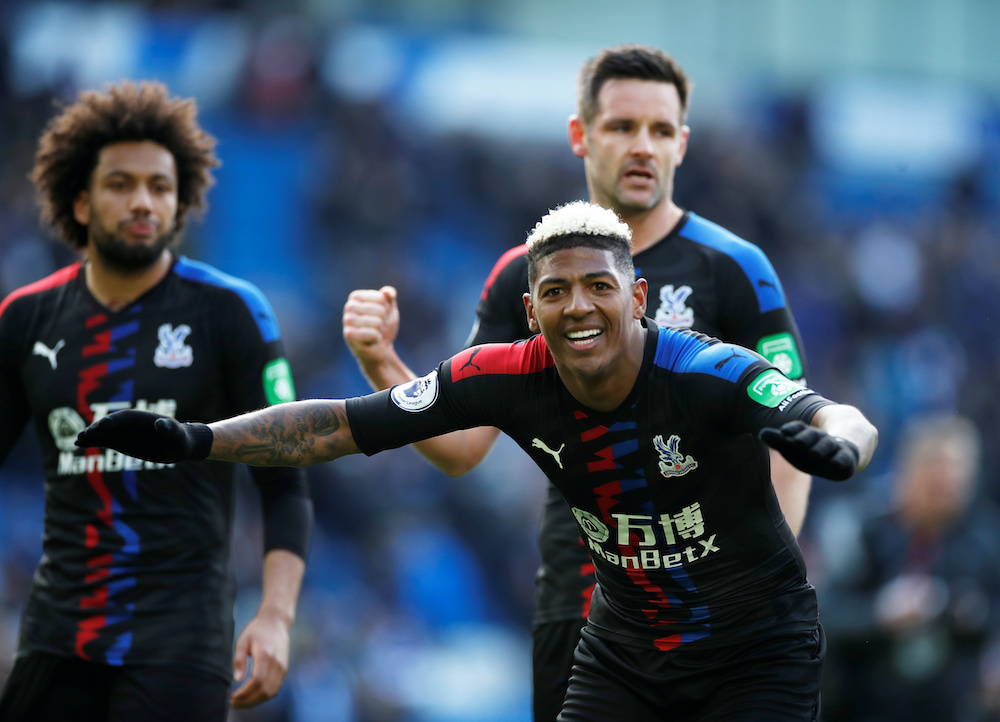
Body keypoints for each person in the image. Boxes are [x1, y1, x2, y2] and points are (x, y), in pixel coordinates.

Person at [80, 201, 878, 721]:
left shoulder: (708, 372)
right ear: (531, 312)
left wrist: (840, 443)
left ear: (637, 299)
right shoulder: (500, 376)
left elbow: (831, 410)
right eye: (557, 292)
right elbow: (338, 426)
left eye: (599, 286)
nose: (579, 307)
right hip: (626, 653)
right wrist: (199, 439)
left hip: (755, 648)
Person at [342, 42, 813, 720]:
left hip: (717, 615)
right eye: (622, 127)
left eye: (659, 130)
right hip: (579, 608)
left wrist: (764, 590)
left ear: (682, 143)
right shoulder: (525, 276)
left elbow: (790, 437)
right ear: (580, 136)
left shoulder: (735, 269)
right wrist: (381, 362)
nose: (641, 146)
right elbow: (462, 447)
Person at [0, 81, 312, 721]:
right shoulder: (25, 318)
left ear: (181, 202)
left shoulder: (231, 311)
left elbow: (285, 484)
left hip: (180, 642)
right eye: (121, 184)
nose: (143, 201)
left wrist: (275, 619)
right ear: (81, 201)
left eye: (160, 187)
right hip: (58, 637)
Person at [817, 414, 1000, 722]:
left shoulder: (985, 539)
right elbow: (824, 615)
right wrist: (880, 613)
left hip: (958, 706)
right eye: (935, 479)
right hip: (868, 703)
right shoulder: (863, 529)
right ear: (908, 472)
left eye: (957, 476)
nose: (947, 490)